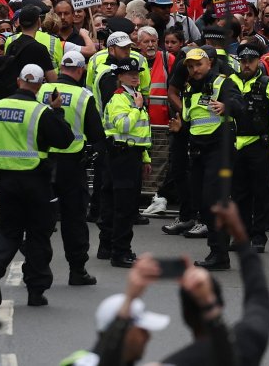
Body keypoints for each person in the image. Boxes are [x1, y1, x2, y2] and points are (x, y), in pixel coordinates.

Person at [0, 64, 73, 307]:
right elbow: (65, 140)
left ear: (19, 81)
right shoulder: (41, 112)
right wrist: (57, 111)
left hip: (5, 181)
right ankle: (36, 291)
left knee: (8, 230)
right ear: (40, 85)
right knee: (38, 234)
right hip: (36, 181)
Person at [159, 203, 269, 366]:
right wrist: (240, 236)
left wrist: (131, 296)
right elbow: (258, 296)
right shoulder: (248, 341)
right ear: (221, 303)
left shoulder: (176, 361)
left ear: (186, 317)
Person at [39, 51, 103, 286]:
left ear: (61, 68)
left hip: (43, 162)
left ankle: (35, 268)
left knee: (41, 217)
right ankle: (77, 270)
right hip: (72, 165)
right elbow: (96, 134)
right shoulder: (83, 96)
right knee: (74, 219)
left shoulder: (42, 90)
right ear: (81, 70)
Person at [180, 47, 244, 270]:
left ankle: (219, 254)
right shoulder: (189, 88)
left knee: (213, 201)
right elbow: (191, 119)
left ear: (209, 64)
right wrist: (180, 127)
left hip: (219, 150)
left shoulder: (222, 83)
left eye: (199, 64)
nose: (195, 69)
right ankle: (218, 252)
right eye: (191, 66)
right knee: (201, 202)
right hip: (198, 151)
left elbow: (241, 105)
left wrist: (227, 106)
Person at [228, 41, 269, 253]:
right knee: (238, 194)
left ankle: (259, 236)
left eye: (250, 60)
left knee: (261, 193)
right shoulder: (229, 82)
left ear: (258, 62)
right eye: (243, 60)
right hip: (236, 145)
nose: (246, 64)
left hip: (259, 145)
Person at [64, 256, 172, 366]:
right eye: (142, 330)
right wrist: (129, 298)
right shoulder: (81, 363)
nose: (148, 337)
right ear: (124, 334)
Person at [98, 56, 152, 268]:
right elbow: (124, 126)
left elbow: (141, 132)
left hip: (131, 154)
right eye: (130, 74)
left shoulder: (132, 96)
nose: (135, 77)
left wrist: (145, 157)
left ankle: (109, 247)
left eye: (136, 74)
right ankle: (120, 252)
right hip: (122, 156)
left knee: (118, 203)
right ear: (120, 77)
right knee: (124, 206)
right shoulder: (121, 98)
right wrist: (137, 108)